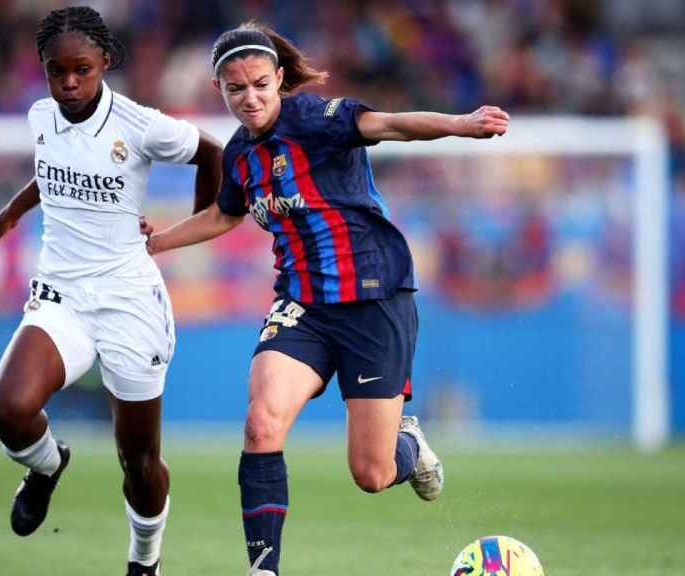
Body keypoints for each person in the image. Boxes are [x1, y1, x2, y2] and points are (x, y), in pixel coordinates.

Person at [145, 23, 509, 575]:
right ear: (220, 89)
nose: (250, 98)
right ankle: (263, 570)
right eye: (236, 89)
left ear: (280, 79)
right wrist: (155, 244)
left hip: (374, 298)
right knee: (261, 424)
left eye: (260, 85)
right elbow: (225, 213)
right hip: (302, 305)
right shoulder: (242, 155)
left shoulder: (316, 119)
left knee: (372, 473)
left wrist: (461, 124)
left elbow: (389, 124)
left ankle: (406, 445)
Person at [0, 7, 222, 576]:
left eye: (80, 70)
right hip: (61, 292)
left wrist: (188, 232)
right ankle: (46, 466)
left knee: (138, 462)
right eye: (55, 71)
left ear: (105, 63)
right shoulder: (42, 116)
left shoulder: (139, 125)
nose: (68, 83)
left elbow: (212, 153)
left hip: (128, 301)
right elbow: (54, 167)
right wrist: (12, 212)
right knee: (10, 409)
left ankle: (144, 561)